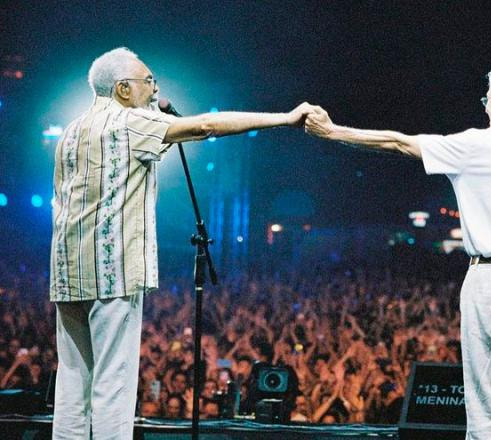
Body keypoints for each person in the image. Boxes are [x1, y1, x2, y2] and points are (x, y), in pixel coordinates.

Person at [304, 63, 491, 439]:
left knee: (485, 416)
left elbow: (396, 142)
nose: (486, 106)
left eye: (489, 99)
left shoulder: (475, 144)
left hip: (489, 281)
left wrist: (332, 132)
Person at [49, 47, 314, 439]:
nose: (155, 89)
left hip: (68, 271)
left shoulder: (71, 131)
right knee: (113, 384)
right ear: (123, 89)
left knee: (73, 381)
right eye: (148, 81)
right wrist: (287, 119)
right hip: (114, 272)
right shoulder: (129, 122)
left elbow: (60, 196)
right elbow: (207, 125)